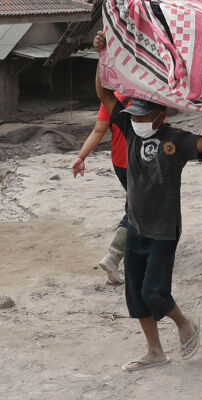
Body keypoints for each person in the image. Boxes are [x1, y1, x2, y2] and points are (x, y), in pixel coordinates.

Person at [92, 30, 202, 372]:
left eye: (143, 116)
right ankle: (155, 351)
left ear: (161, 116)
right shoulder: (127, 124)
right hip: (136, 226)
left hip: (164, 231)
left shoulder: (175, 140)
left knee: (155, 293)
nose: (137, 120)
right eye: (135, 115)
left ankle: (185, 324)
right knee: (136, 297)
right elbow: (104, 92)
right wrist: (103, 55)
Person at [72, 90, 130, 284]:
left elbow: (98, 131)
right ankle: (114, 256)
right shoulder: (146, 90)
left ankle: (135, 251)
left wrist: (81, 157)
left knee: (140, 205)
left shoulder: (111, 97)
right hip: (142, 162)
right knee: (138, 209)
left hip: (120, 162)